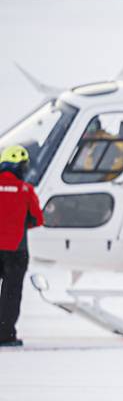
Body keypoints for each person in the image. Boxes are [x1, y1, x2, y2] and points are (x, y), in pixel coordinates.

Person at [0, 145, 44, 347]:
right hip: (15, 251)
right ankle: (5, 334)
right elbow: (37, 218)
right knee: (11, 292)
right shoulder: (26, 190)